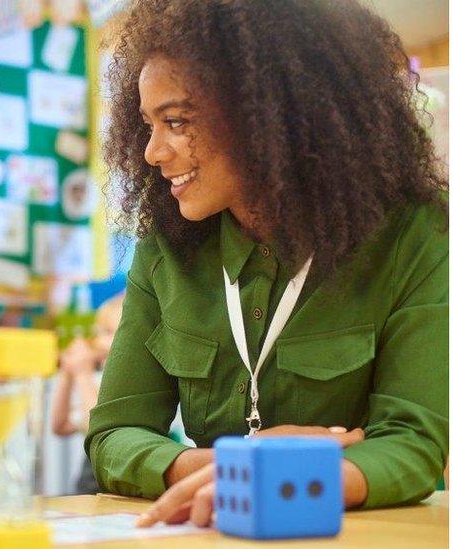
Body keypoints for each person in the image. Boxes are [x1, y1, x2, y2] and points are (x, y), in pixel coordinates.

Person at [85, 0, 448, 528]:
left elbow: (415, 444)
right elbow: (113, 434)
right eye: (147, 125)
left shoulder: (413, 235)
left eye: (177, 121)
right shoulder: (166, 246)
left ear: (270, 113)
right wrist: (228, 469)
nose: (152, 152)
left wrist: (291, 476)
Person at [50, 292, 123, 494]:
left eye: (108, 333)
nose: (98, 341)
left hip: (113, 490)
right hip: (87, 487)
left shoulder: (131, 387)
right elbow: (60, 426)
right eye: (99, 332)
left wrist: (82, 374)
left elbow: (98, 429)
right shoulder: (97, 382)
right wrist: (67, 374)